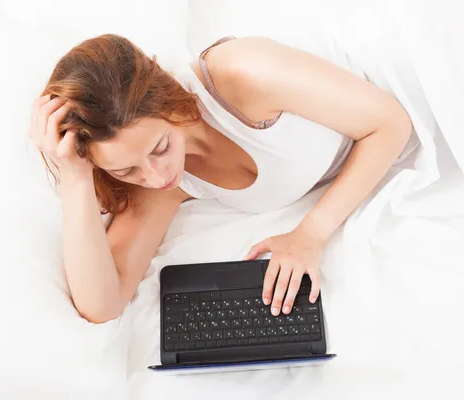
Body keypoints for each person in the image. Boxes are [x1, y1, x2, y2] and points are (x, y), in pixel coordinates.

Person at [29, 34, 417, 324]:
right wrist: (76, 176)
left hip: (403, 79)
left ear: (167, 103)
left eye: (161, 147)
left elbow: (391, 123)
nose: (155, 175)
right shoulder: (161, 187)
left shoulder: (242, 74)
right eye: (125, 169)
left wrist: (311, 233)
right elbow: (102, 305)